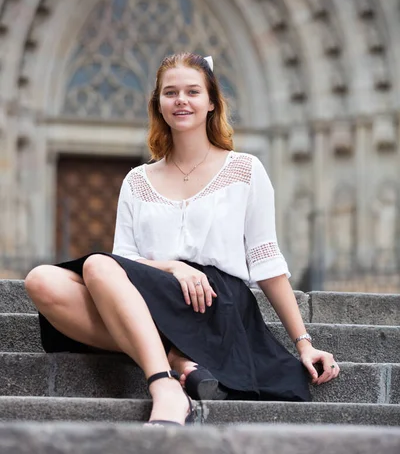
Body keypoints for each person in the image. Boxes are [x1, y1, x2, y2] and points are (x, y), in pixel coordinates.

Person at [25, 52, 340, 427]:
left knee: (96, 264)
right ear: (158, 104)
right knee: (40, 280)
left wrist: (304, 342)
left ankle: (163, 387)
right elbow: (123, 260)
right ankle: (175, 361)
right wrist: (173, 267)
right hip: (153, 294)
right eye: (170, 92)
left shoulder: (245, 170)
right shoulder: (137, 180)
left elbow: (266, 261)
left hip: (214, 302)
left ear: (211, 103)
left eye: (193, 91)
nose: (181, 100)